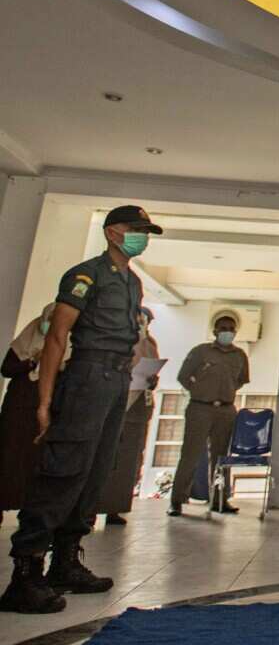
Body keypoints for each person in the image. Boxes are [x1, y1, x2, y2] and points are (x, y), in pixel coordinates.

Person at [1, 205, 158, 615]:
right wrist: (45, 400)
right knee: (63, 471)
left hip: (115, 380)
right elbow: (57, 337)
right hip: (86, 376)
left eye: (146, 231)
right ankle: (25, 573)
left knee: (93, 474)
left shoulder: (132, 282)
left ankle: (66, 561)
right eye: (135, 229)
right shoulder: (85, 275)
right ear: (112, 232)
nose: (142, 236)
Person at [169, 314, 249, 517]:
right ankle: (177, 501)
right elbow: (183, 377)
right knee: (190, 456)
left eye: (231, 328)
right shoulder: (200, 352)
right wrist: (202, 392)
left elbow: (240, 381)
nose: (227, 331)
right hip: (200, 408)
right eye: (223, 328)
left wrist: (224, 393)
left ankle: (219, 500)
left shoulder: (239, 355)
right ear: (214, 331)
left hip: (226, 409)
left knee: (221, 458)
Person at [0, 305, 63, 522]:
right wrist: (33, 361)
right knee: (8, 457)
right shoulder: (26, 340)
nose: (50, 323)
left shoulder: (66, 347)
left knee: (35, 463)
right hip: (17, 408)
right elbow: (7, 368)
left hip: (44, 411)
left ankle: (29, 513)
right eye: (49, 319)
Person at [98, 307, 159, 524]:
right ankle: (88, 508)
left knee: (128, 459)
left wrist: (152, 380)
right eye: (140, 320)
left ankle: (115, 507)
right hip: (116, 401)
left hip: (138, 406)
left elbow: (153, 373)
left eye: (146, 321)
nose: (143, 324)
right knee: (105, 455)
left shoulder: (149, 344)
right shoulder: (117, 339)